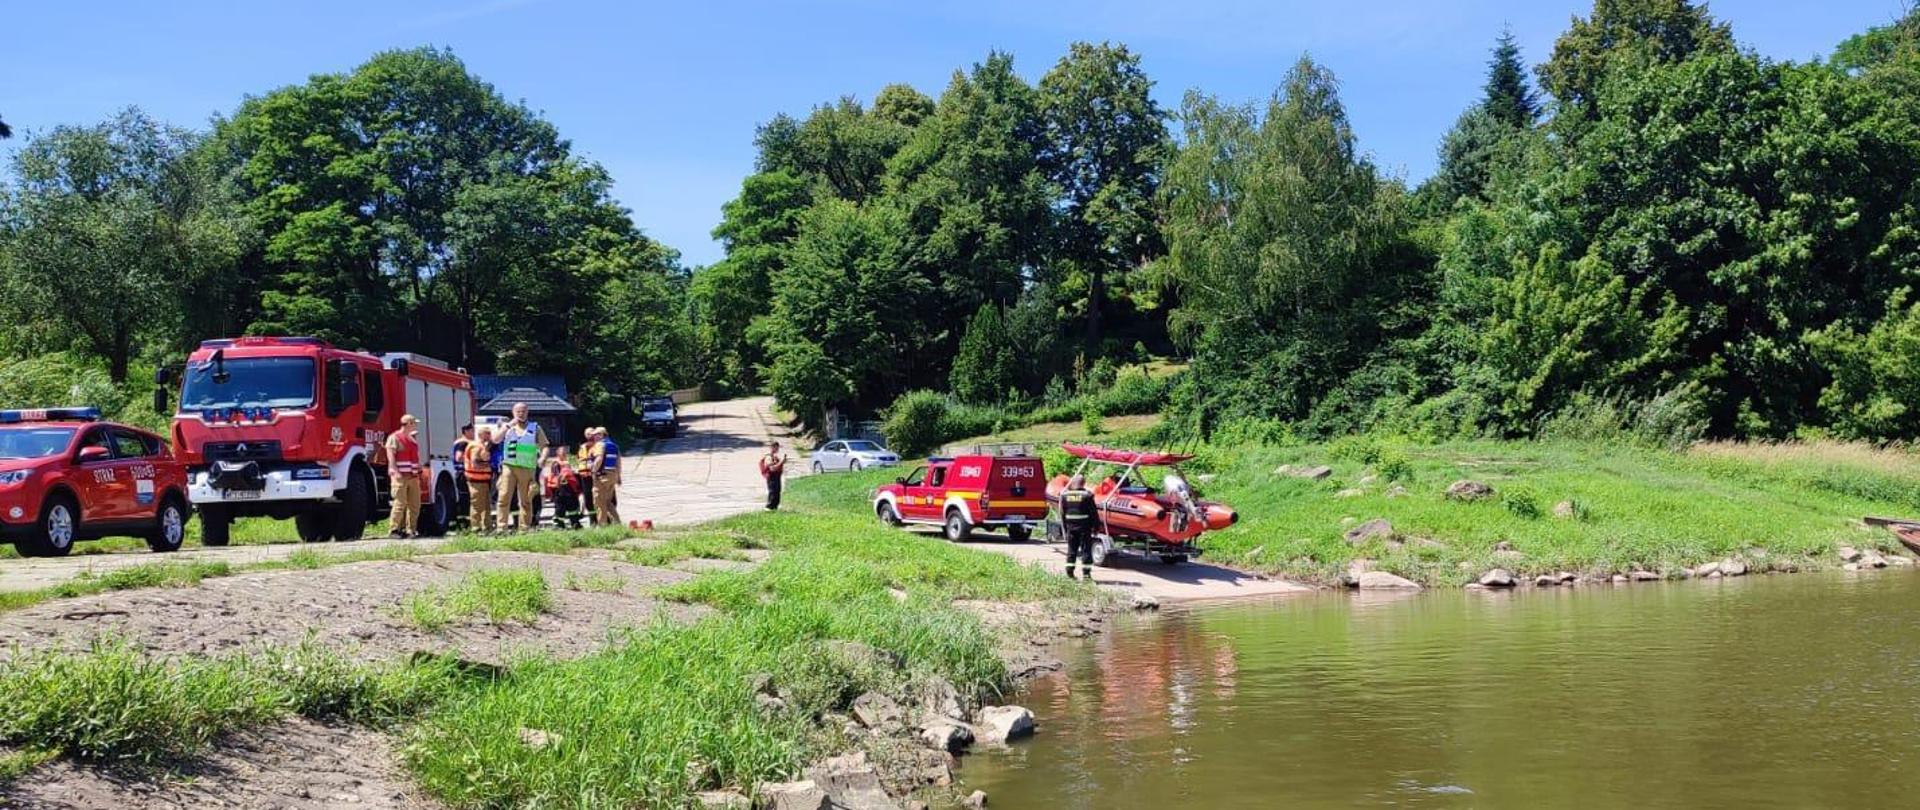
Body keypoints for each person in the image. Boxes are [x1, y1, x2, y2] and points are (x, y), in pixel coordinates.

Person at [493, 402, 549, 531]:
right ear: (513, 413)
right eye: (518, 411)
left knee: (525, 499)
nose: (520, 414)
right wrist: (507, 425)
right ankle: (501, 528)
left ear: (527, 412)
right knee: (504, 496)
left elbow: (545, 446)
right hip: (509, 466)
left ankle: (524, 528)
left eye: (523, 411)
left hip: (527, 467)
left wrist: (542, 458)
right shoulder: (507, 428)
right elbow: (495, 440)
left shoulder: (535, 428)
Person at [386, 414, 424, 538]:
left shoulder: (411, 439)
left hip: (412, 476)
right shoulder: (395, 437)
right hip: (400, 476)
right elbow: (391, 453)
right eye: (414, 423)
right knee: (400, 503)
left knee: (415, 504)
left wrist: (418, 468)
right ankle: (394, 529)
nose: (415, 425)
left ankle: (411, 530)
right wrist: (393, 469)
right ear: (408, 424)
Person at [1059, 473, 1098, 579]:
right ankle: (1086, 574)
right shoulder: (1087, 495)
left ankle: (1069, 572)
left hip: (1071, 528)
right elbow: (1094, 513)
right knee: (1086, 550)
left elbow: (1062, 513)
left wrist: (1065, 529)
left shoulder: (1065, 496)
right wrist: (1096, 527)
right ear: (1083, 483)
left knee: (1071, 550)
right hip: (1084, 528)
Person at [464, 426, 496, 533]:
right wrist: (488, 466)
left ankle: (487, 527)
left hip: (483, 480)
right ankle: (476, 527)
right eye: (487, 433)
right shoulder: (476, 446)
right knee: (477, 504)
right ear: (481, 434)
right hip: (475, 480)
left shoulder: (483, 446)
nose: (489, 435)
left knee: (486, 505)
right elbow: (474, 463)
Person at [589, 427, 622, 526]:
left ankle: (602, 526)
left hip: (602, 476)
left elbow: (599, 459)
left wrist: (593, 471)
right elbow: (618, 462)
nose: (594, 437)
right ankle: (617, 523)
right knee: (608, 501)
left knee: (599, 502)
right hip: (612, 476)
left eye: (596, 434)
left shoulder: (600, 445)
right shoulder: (614, 446)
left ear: (602, 435)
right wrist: (618, 477)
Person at [543, 449, 584, 529]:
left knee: (572, 506)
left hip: (569, 488)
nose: (565, 455)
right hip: (561, 488)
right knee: (561, 507)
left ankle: (575, 522)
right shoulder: (556, 464)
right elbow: (558, 476)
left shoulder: (567, 463)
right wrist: (558, 487)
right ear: (558, 454)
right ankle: (559, 524)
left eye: (565, 453)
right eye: (563, 453)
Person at [451, 423, 473, 528]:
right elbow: (458, 457)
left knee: (464, 497)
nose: (473, 433)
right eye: (472, 431)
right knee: (465, 497)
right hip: (462, 473)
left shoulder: (461, 442)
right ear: (466, 431)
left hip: (460, 473)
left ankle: (464, 521)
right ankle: (464, 523)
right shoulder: (463, 443)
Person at [759, 441, 788, 511]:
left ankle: (775, 507)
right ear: (772, 447)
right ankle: (769, 507)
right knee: (773, 492)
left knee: (777, 491)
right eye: (776, 448)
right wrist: (782, 462)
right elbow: (772, 468)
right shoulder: (768, 457)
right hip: (772, 477)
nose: (778, 449)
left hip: (776, 476)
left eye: (778, 448)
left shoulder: (774, 456)